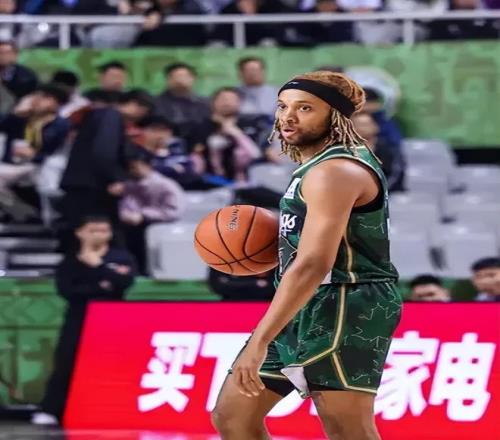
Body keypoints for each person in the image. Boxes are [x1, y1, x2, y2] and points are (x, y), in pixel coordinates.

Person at [211, 71, 401, 440]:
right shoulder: (316, 164)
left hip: (348, 302)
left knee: (347, 429)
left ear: (335, 116)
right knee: (233, 416)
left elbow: (314, 263)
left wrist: (260, 339)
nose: (288, 117)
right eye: (282, 106)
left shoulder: (336, 171)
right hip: (306, 300)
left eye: (305, 108)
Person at [32, 216, 136, 425]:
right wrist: (101, 285)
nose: (99, 234)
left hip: (112, 318)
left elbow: (124, 282)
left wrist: (98, 266)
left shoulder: (121, 257)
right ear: (80, 233)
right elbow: (67, 290)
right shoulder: (70, 261)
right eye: (93, 230)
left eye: (104, 230)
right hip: (78, 317)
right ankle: (52, 409)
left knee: (113, 364)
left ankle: (113, 409)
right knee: (67, 362)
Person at [120, 148, 185, 273]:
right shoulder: (129, 185)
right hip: (133, 228)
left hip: (160, 227)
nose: (132, 171)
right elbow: (126, 205)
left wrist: (144, 215)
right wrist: (127, 215)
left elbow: (174, 211)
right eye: (130, 168)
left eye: (135, 167)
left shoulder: (166, 185)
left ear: (148, 165)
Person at [194, 87, 262, 184]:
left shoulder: (250, 124)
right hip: (209, 180)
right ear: (213, 103)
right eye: (223, 99)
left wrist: (233, 131)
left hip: (244, 180)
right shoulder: (201, 126)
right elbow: (196, 154)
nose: (227, 102)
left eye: (231, 99)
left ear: (239, 103)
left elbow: (255, 154)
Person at [351, 111, 405, 192]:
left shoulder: (387, 148)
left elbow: (394, 173)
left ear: (375, 126)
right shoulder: (343, 149)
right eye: (358, 125)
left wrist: (379, 191)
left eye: (365, 125)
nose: (362, 128)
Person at [155, 63, 211, 137]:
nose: (179, 80)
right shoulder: (155, 103)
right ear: (168, 80)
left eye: (183, 76)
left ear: (193, 79)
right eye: (175, 77)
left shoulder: (206, 103)